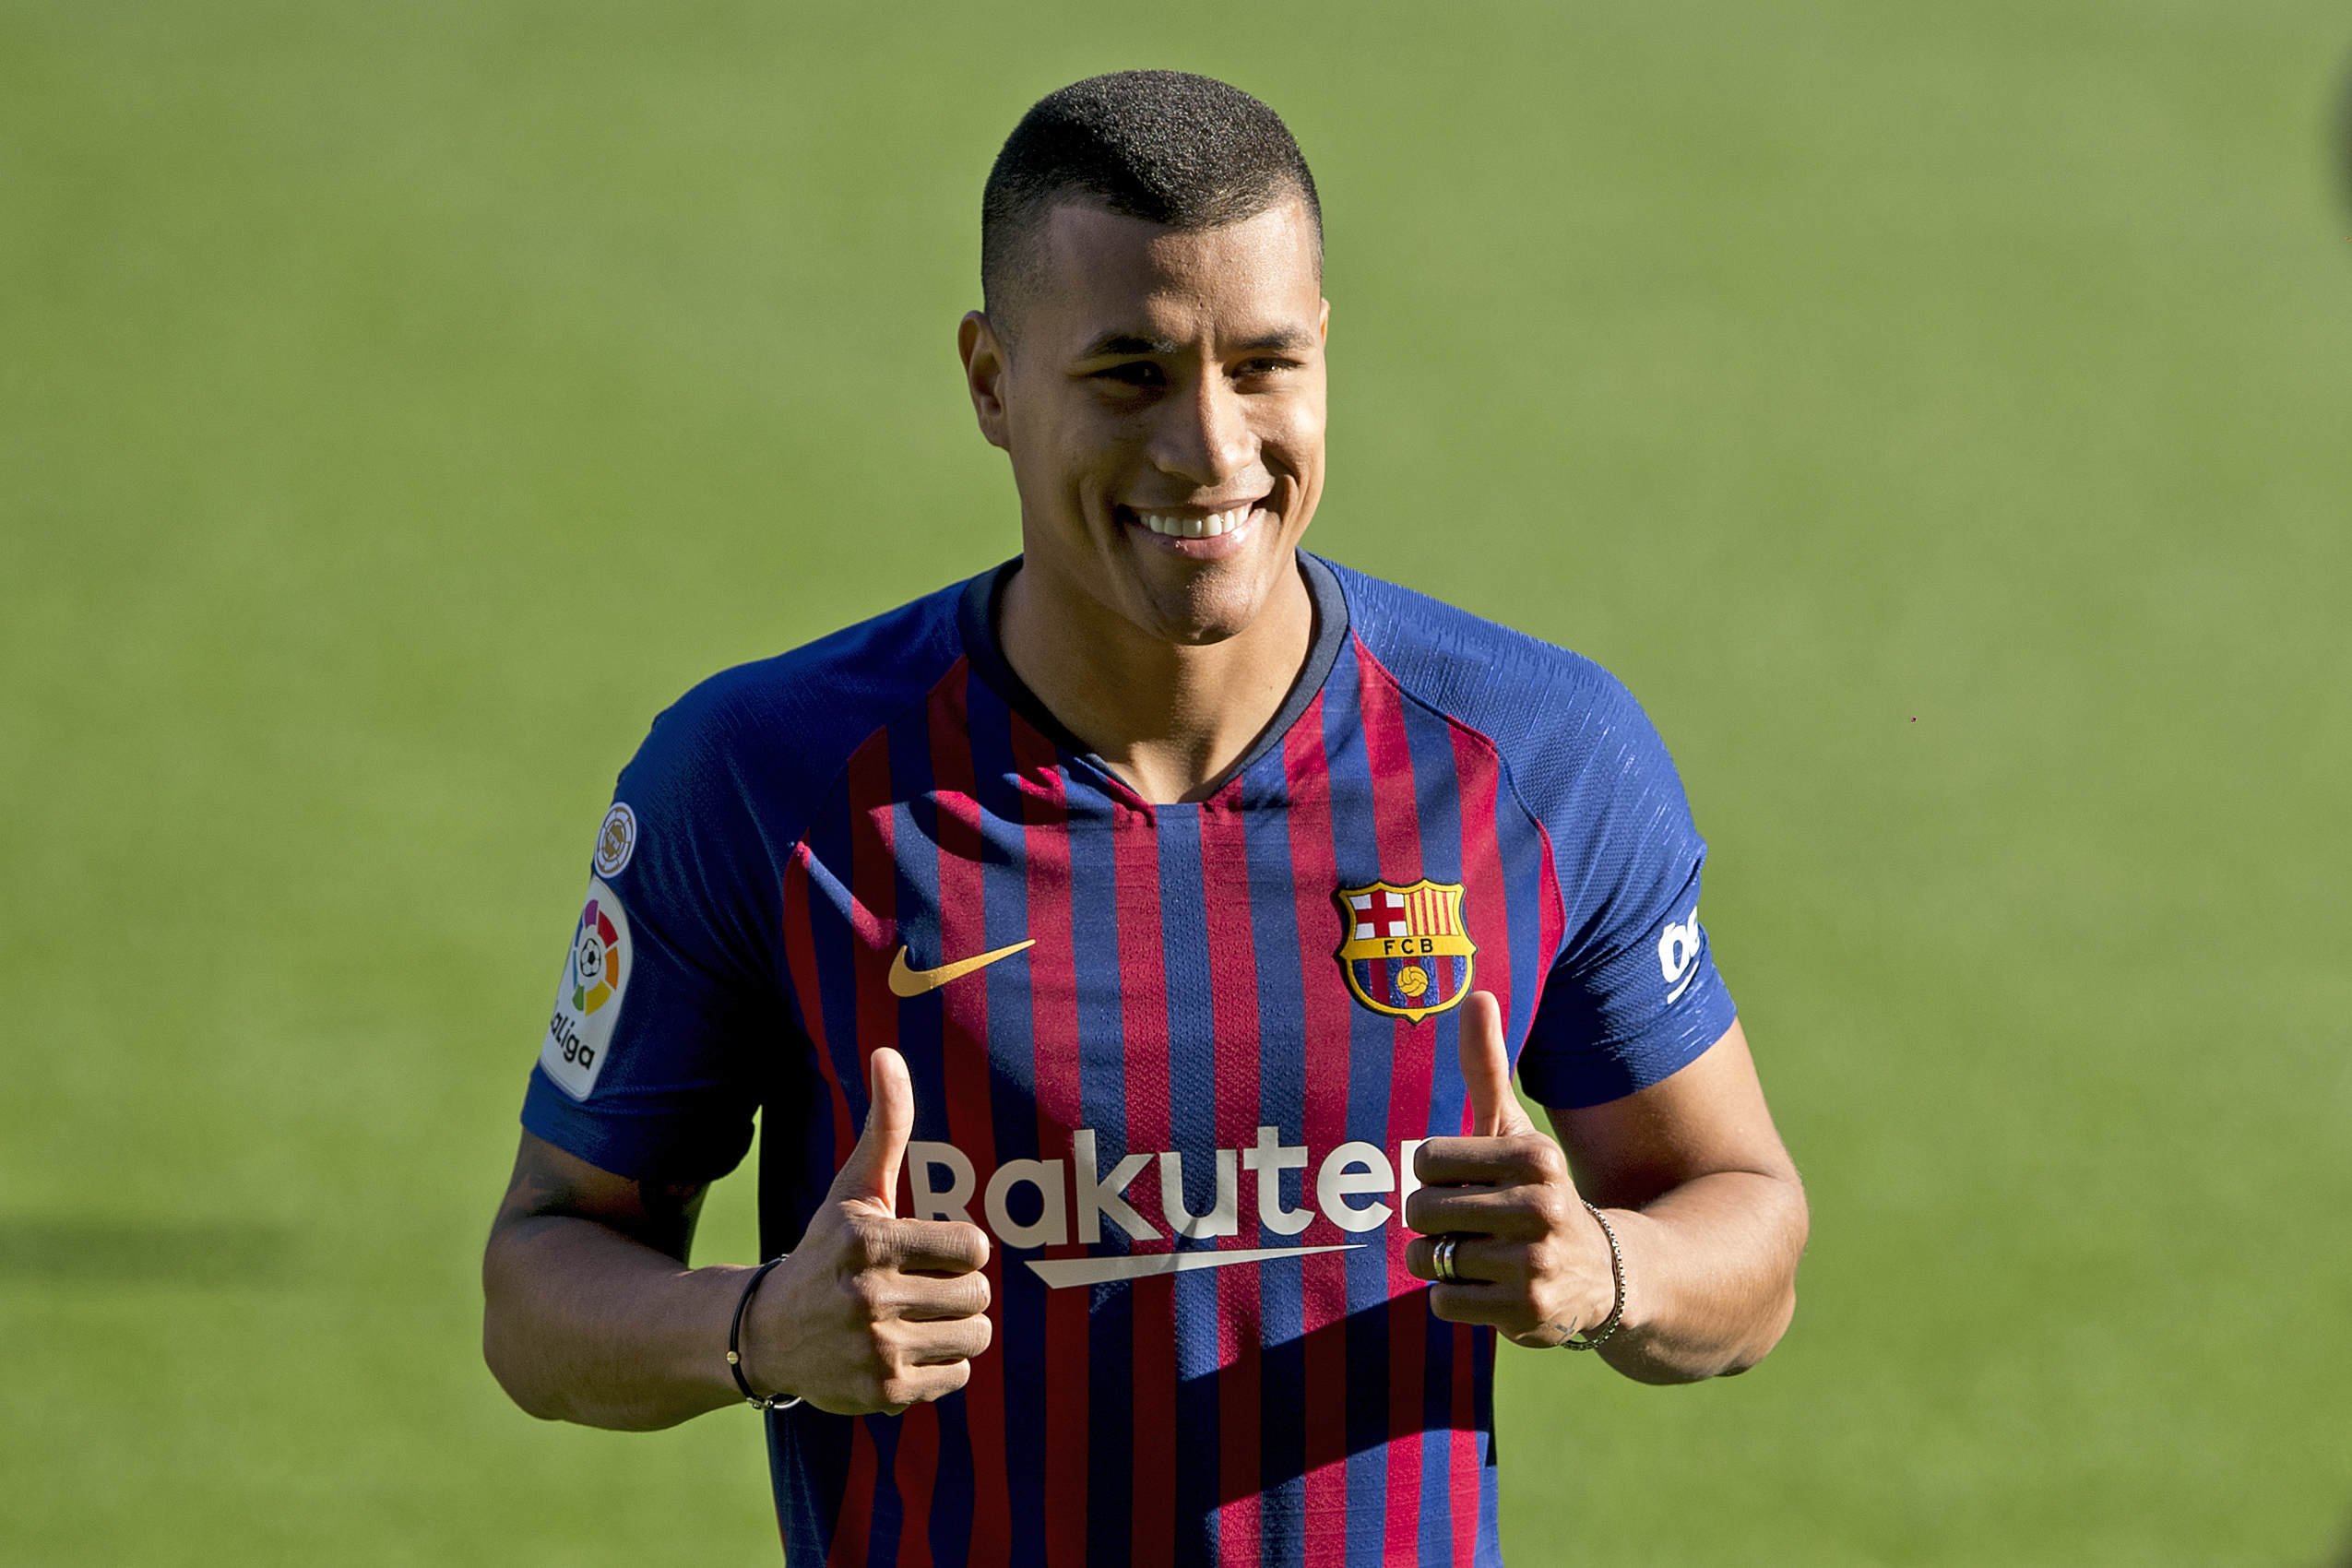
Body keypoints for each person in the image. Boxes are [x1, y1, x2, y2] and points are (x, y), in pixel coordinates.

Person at [482, 69, 1808, 1568]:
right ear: (990, 381)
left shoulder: (1539, 758)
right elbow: (539, 1283)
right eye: (1128, 373)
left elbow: (1744, 1230)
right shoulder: (760, 781)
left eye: (1263, 364)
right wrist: (756, 1328)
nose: (1210, 447)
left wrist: (1607, 1269)